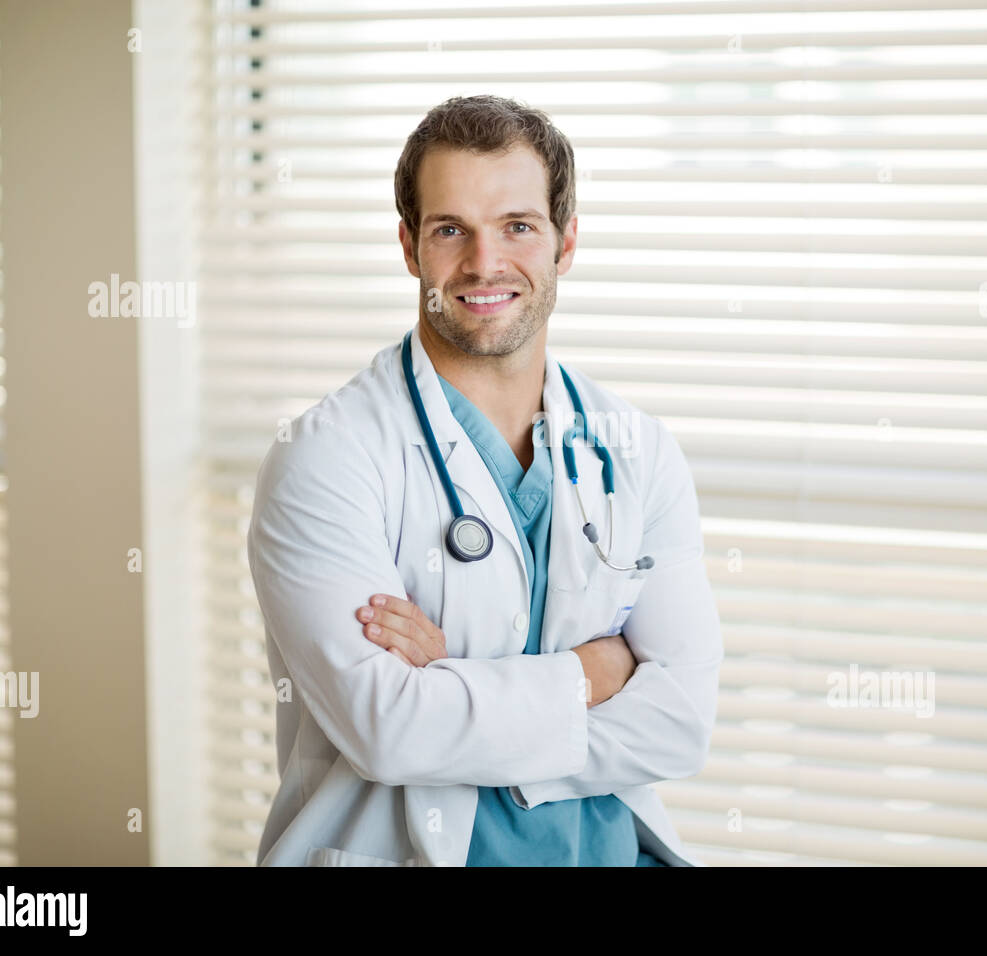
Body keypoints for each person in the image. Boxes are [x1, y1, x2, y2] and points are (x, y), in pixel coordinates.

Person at [247, 94, 723, 866]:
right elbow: (390, 731)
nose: (484, 263)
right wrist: (593, 673)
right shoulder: (326, 456)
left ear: (566, 243)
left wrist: (456, 686)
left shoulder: (635, 450)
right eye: (449, 230)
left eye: (518, 227)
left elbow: (678, 724)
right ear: (409, 246)